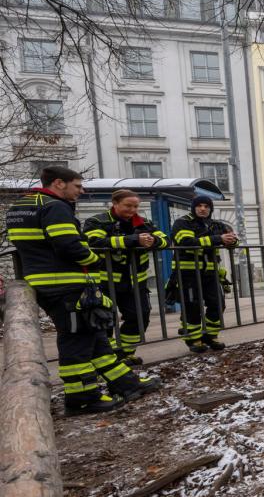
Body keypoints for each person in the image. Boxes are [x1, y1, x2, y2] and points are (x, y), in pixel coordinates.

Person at [6, 166, 160, 415]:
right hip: (65, 283)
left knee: (94, 334)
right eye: (77, 186)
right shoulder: (55, 206)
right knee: (76, 339)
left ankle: (126, 384)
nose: (82, 190)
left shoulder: (20, 206)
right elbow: (69, 244)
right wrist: (94, 260)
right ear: (58, 183)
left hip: (45, 280)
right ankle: (82, 397)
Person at [83, 190, 170, 366]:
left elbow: (166, 240)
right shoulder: (97, 221)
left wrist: (153, 241)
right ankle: (108, 357)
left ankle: (125, 353)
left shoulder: (143, 223)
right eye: (128, 206)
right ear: (115, 203)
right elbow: (94, 243)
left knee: (140, 316)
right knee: (105, 319)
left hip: (136, 282)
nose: (132, 210)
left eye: (136, 206)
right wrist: (132, 240)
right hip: (105, 282)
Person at [171, 195, 238, 353]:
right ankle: (193, 339)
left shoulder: (216, 224)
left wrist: (231, 241)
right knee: (192, 307)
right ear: (193, 207)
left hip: (210, 272)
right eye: (199, 206)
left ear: (210, 208)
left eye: (206, 206)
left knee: (218, 304)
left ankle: (210, 336)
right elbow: (186, 242)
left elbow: (234, 240)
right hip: (188, 273)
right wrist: (217, 239)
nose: (203, 209)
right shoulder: (183, 222)